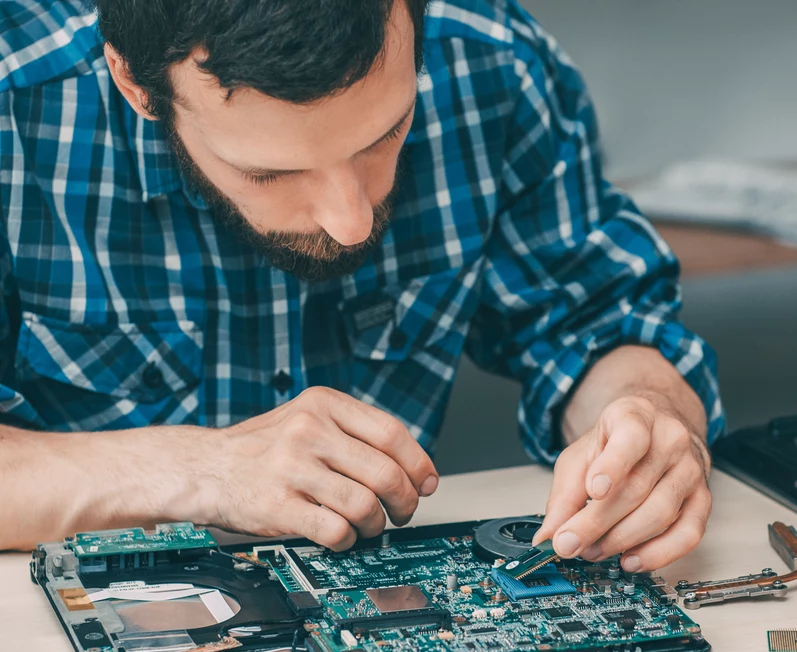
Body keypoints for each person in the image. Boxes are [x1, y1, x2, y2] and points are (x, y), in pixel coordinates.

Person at [0, 0, 723, 572]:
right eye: (271, 173)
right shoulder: (17, 99)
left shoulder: (490, 59)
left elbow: (596, 323)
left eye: (387, 131)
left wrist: (645, 417)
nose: (349, 221)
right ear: (136, 83)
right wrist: (204, 469)